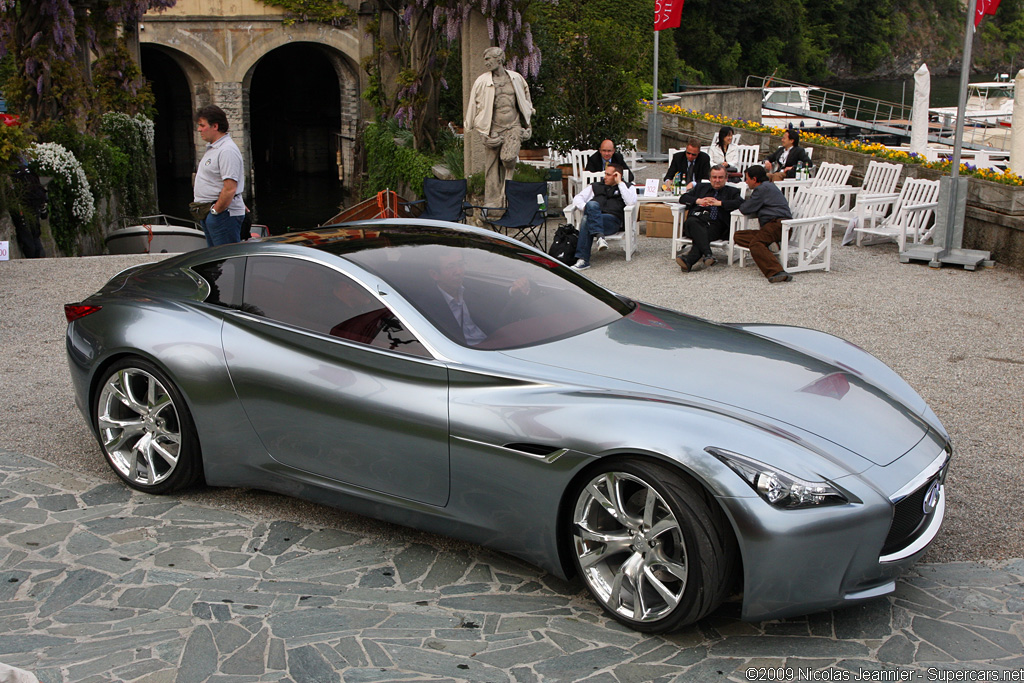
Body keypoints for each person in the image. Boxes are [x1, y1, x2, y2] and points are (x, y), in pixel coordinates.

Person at [464, 47, 534, 209]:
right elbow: (474, 106)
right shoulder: (482, 81)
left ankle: (508, 196)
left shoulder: (516, 79)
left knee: (509, 160)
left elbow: (526, 103)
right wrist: (481, 133)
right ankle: (493, 203)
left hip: (513, 125)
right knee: (491, 166)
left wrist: (528, 125)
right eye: (485, 59)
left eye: (488, 59)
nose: (486, 62)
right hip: (493, 129)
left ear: (499, 59)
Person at [422, 250, 531, 346]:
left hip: (493, 344)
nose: (459, 271)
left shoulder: (470, 287)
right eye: (451, 267)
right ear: (434, 274)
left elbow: (495, 295)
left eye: (460, 264)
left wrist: (515, 289)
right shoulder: (426, 306)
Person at [193, 105, 245, 247]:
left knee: (225, 261)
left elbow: (230, 188)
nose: (199, 129)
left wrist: (215, 211)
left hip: (223, 215)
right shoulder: (214, 148)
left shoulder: (227, 150)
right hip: (213, 213)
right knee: (216, 261)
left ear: (215, 126)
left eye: (202, 125)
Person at [675, 164, 743, 273]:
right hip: (695, 222)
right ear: (710, 178)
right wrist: (699, 201)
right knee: (693, 222)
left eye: (720, 177)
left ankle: (688, 261)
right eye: (714, 177)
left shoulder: (732, 192)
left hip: (715, 226)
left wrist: (720, 203)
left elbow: (740, 203)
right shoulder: (701, 188)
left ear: (726, 178)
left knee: (702, 235)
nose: (717, 180)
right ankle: (708, 254)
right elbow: (683, 198)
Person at [569, 162, 637, 271]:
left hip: (612, 222)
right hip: (595, 218)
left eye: (608, 175)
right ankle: (600, 237)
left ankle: (583, 259)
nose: (604, 177)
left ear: (617, 175)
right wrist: (585, 207)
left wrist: (620, 183)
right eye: (605, 174)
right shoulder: (595, 186)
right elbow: (578, 198)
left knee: (587, 219)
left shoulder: (628, 187)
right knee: (591, 206)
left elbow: (630, 202)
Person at [734, 165, 794, 283]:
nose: (746, 182)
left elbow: (745, 208)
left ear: (755, 179)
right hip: (773, 226)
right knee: (738, 236)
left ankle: (776, 271)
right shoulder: (769, 186)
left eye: (747, 179)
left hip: (777, 224)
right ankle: (772, 244)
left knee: (756, 243)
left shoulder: (762, 189)